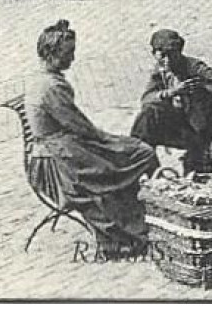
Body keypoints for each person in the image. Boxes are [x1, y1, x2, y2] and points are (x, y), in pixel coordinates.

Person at [26, 20, 158, 259]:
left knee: (127, 154)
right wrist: (111, 141)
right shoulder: (51, 87)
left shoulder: (42, 78)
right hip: (59, 162)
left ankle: (138, 221)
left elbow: (78, 127)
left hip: (64, 148)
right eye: (68, 53)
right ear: (52, 53)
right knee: (135, 156)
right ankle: (128, 233)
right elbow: (80, 126)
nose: (72, 59)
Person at [131, 30, 212, 175]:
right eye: (161, 56)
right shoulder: (161, 69)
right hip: (181, 124)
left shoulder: (195, 69)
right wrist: (172, 92)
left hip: (202, 129)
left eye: (171, 55)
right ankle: (147, 171)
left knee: (200, 175)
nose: (167, 61)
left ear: (179, 52)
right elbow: (147, 98)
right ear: (154, 54)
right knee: (147, 116)